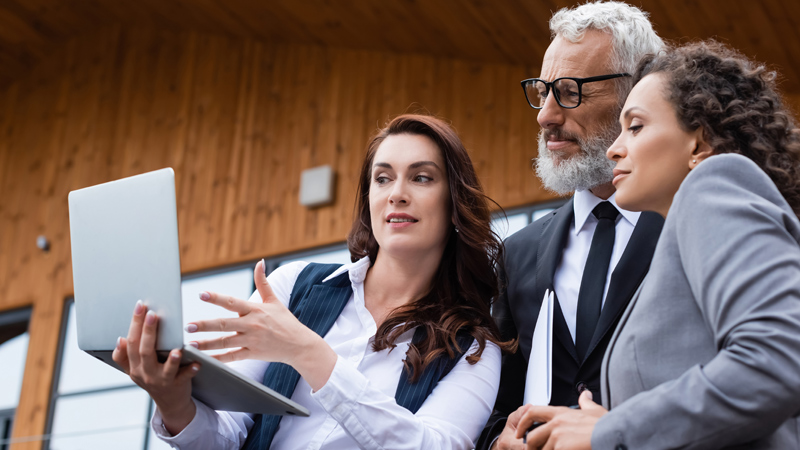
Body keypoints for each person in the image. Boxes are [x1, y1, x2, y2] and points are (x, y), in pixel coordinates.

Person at [111, 114, 515, 449]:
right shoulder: (292, 286)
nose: (397, 194)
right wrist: (173, 403)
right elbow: (226, 435)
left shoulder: (474, 348)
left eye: (422, 178)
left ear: (454, 202)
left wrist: (309, 353)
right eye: (382, 178)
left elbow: (434, 446)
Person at [518, 41, 800, 449]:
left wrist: (610, 431)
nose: (616, 148)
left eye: (635, 126)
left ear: (698, 144)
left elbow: (778, 359)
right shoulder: (685, 234)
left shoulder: (714, 186)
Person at [477, 3, 664, 449]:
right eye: (542, 92)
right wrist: (497, 441)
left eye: (570, 91)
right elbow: (495, 400)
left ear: (634, 92)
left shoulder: (692, 227)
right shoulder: (517, 252)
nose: (545, 115)